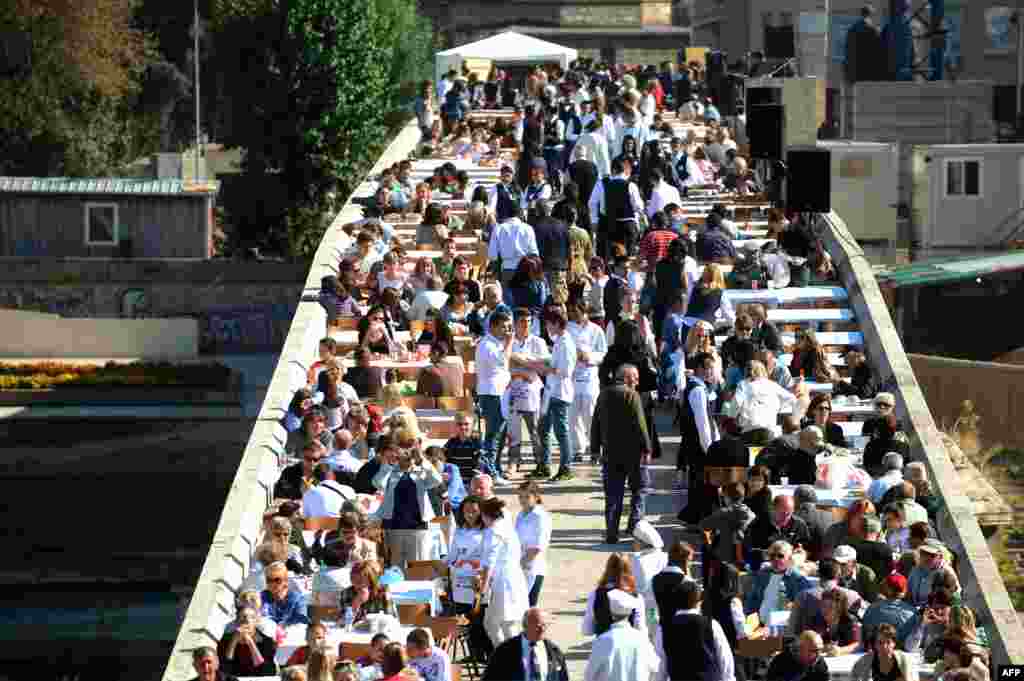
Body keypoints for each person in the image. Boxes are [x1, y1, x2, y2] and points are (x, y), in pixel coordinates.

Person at [591, 363, 651, 543]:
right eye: (635, 378)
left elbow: (596, 423)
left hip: (610, 454)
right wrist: (647, 448)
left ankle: (611, 533)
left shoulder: (603, 395)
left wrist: (595, 449)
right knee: (640, 489)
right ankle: (634, 526)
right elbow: (641, 425)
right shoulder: (631, 395)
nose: (637, 382)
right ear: (626, 377)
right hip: (633, 454)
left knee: (613, 495)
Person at [372, 437, 444, 567]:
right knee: (395, 567)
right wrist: (390, 463)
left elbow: (437, 481)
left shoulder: (421, 471)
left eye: (409, 449)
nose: (406, 454)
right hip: (394, 525)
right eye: (402, 449)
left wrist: (422, 459)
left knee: (417, 566)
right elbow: (377, 483)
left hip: (418, 525)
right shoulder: (391, 471)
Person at [677, 352, 722, 524]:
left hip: (694, 443)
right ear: (700, 369)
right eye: (709, 368)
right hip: (698, 444)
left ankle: (694, 517)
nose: (712, 372)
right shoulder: (697, 390)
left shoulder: (698, 387)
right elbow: (702, 422)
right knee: (702, 482)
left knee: (698, 481)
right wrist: (709, 447)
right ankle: (700, 518)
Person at [479, 496, 530, 647]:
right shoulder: (507, 528)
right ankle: (506, 658)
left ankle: (508, 660)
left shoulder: (493, 531)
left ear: (485, 515)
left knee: (502, 625)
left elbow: (489, 563)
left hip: (502, 583)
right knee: (499, 624)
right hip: (513, 579)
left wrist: (483, 588)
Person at [536, 306, 578, 482]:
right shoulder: (559, 340)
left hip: (560, 392)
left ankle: (565, 467)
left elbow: (566, 370)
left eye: (548, 323)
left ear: (555, 323)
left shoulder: (566, 343)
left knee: (561, 431)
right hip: (552, 390)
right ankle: (544, 465)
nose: (546, 327)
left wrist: (547, 369)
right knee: (543, 428)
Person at [663, 580, 736, 681]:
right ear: (699, 602)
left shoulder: (665, 627)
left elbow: (661, 662)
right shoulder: (711, 624)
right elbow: (724, 658)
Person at [584, 588, 662, 681]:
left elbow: (590, 675)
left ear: (611, 614)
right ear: (630, 614)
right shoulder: (641, 639)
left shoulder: (602, 640)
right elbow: (656, 668)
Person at [475, 310, 514, 485]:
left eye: (508, 327)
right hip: (492, 394)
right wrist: (510, 341)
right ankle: (490, 472)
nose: (507, 331)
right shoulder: (487, 344)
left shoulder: (497, 343)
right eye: (503, 327)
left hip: (500, 394)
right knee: (493, 435)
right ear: (492, 327)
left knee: (499, 434)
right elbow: (501, 360)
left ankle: (495, 468)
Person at [483, 608, 570, 681]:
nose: (542, 629)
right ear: (525, 625)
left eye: (544, 625)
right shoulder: (505, 651)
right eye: (538, 626)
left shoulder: (554, 652)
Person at [589, 157, 645, 258]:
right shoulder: (631, 185)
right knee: (628, 258)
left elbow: (592, 203)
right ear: (623, 170)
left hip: (608, 224)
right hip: (627, 225)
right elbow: (638, 206)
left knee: (608, 258)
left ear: (612, 170)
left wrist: (594, 220)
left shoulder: (601, 183)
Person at [743, 540, 813, 622]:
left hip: (782, 627)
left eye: (780, 556)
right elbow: (752, 599)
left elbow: (808, 603)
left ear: (789, 558)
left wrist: (793, 606)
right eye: (772, 556)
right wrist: (748, 618)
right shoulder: (763, 574)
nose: (776, 559)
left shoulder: (797, 578)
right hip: (759, 625)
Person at [582, 553, 647, 637]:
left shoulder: (596, 594)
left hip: (603, 644)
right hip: (629, 644)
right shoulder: (636, 597)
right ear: (629, 570)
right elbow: (640, 628)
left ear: (608, 569)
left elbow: (587, 630)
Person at [699, 481, 756, 568]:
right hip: (746, 559)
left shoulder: (723, 513)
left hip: (724, 559)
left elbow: (703, 525)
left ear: (727, 498)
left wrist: (709, 544)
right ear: (743, 497)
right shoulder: (751, 514)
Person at [515, 481, 553, 606]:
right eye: (520, 497)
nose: (523, 500)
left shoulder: (540, 516)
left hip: (533, 566)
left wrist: (524, 562)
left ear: (536, 497)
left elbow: (539, 545)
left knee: (530, 605)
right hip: (520, 563)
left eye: (527, 497)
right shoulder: (521, 514)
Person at [489, 202, 539, 292]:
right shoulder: (528, 228)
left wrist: (496, 273)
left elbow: (493, 255)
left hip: (507, 269)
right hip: (525, 270)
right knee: (524, 301)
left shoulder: (499, 228)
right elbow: (534, 253)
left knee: (508, 302)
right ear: (520, 214)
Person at [217, 606, 276, 677]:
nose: (246, 620)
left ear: (256, 621)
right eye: (242, 617)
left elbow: (267, 671)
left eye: (251, 617)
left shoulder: (266, 641)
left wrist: (251, 643)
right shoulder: (226, 639)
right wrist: (233, 641)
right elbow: (225, 668)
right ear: (236, 621)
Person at [862, 573, 917, 647]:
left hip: (875, 652)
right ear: (904, 591)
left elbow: (865, 634)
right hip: (902, 654)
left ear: (885, 588)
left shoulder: (871, 609)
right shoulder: (912, 612)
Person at [310, 511, 378, 568]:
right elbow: (319, 556)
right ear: (339, 531)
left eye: (352, 532)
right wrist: (317, 540)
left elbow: (373, 570)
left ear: (358, 531)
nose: (348, 535)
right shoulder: (331, 542)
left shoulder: (369, 547)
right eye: (345, 532)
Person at [337, 559, 397, 624]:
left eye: (360, 581)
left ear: (371, 580)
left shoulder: (383, 593)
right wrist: (356, 603)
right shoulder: (346, 593)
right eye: (352, 579)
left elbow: (392, 620)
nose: (356, 584)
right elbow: (341, 622)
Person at [907, 539, 961, 606]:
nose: (926, 557)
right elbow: (909, 592)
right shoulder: (915, 570)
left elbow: (953, 599)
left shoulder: (946, 572)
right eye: (923, 553)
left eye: (932, 555)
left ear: (940, 557)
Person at [812, 588, 862, 656]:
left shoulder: (850, 623)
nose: (825, 610)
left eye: (830, 607)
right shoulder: (819, 620)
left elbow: (858, 645)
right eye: (823, 606)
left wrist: (840, 650)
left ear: (839, 609)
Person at [765, 631, 830, 681]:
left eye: (820, 650)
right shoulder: (780, 662)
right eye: (814, 651)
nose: (818, 655)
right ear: (801, 649)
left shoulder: (819, 663)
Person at [260, 561, 309, 626]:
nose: (272, 583)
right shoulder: (261, 597)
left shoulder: (297, 599)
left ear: (286, 580)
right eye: (268, 580)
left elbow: (300, 623)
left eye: (277, 580)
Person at [793, 485, 834, 561]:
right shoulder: (830, 515)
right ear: (815, 498)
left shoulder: (794, 516)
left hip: (805, 560)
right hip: (827, 559)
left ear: (796, 500)